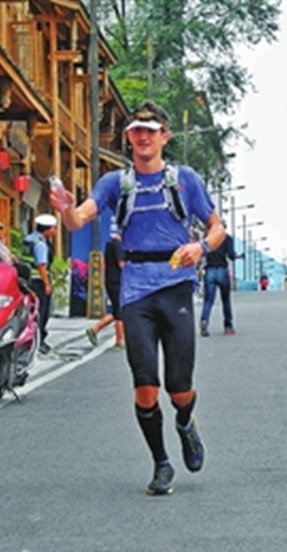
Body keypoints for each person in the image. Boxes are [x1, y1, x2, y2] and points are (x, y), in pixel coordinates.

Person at [51, 99, 225, 496]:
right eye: (136, 132)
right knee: (145, 385)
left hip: (176, 286)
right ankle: (161, 463)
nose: (143, 137)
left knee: (179, 388)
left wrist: (200, 247)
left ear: (164, 136)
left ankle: (185, 423)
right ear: (129, 139)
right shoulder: (115, 183)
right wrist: (65, 210)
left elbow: (217, 228)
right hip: (135, 293)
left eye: (150, 131)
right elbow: (79, 219)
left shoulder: (184, 180)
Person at [86, 222, 125, 349]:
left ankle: (95, 329)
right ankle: (120, 340)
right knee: (120, 312)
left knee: (116, 310)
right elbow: (121, 264)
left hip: (110, 280)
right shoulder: (118, 245)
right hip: (117, 281)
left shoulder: (109, 244)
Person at [23, 214, 58, 354]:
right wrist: (47, 284)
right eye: (54, 228)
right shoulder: (40, 244)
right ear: (47, 229)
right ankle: (39, 341)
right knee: (41, 311)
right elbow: (41, 265)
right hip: (38, 281)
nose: (55, 231)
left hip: (26, 280)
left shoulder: (28, 239)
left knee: (29, 311)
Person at [199, 222, 240, 336]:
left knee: (208, 300)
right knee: (226, 300)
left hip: (209, 270)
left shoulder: (208, 238)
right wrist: (236, 255)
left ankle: (204, 320)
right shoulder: (227, 239)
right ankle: (228, 326)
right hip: (222, 270)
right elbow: (231, 256)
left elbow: (202, 253)